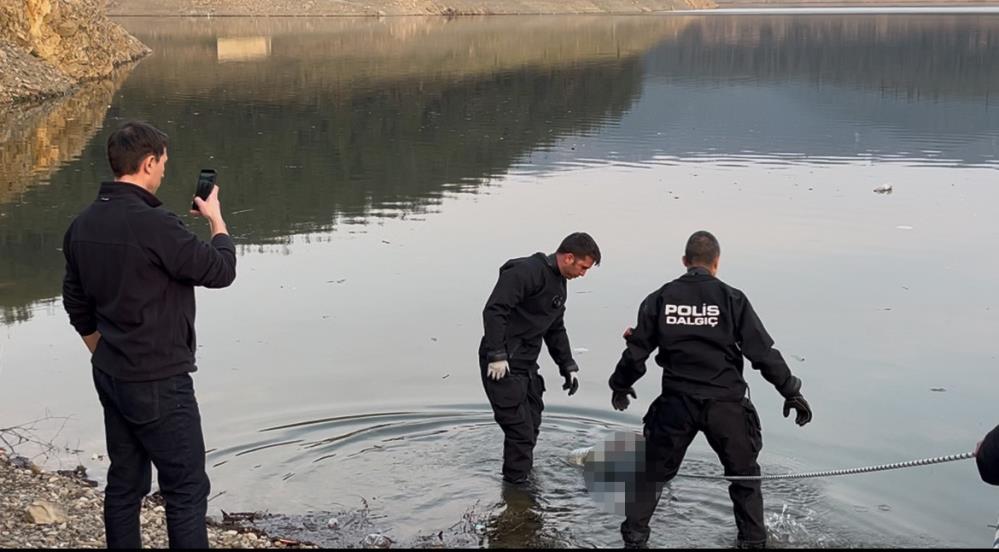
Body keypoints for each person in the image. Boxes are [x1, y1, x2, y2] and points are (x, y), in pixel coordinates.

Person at [62, 121, 236, 549]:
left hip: (111, 373)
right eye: (162, 164)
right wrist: (216, 221)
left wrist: (103, 350)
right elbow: (221, 270)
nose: (163, 172)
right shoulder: (155, 223)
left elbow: (75, 303)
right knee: (186, 488)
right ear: (147, 162)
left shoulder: (82, 224)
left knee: (125, 484)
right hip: (159, 378)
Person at [608, 230, 811, 548]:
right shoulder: (732, 298)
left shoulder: (660, 298)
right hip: (726, 405)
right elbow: (761, 352)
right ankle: (753, 542)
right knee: (745, 479)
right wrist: (790, 390)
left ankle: (634, 540)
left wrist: (620, 385)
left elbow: (637, 351)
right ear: (716, 264)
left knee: (652, 476)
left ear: (685, 262)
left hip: (677, 404)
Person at [479, 232, 600, 485]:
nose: (583, 274)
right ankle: (517, 491)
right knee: (519, 432)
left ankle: (521, 478)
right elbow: (494, 310)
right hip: (501, 364)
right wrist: (497, 355)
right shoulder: (524, 272)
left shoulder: (558, 284)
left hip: (526, 364)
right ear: (569, 257)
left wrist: (567, 365)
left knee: (531, 424)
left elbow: (555, 327)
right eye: (582, 267)